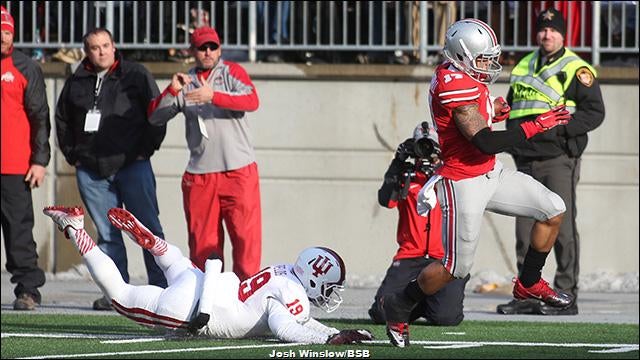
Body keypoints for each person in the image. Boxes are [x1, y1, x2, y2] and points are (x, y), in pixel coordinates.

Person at [381, 18, 574, 348]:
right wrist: (535, 124)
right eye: (483, 58)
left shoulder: (464, 75)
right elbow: (484, 141)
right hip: (464, 181)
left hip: (490, 172)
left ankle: (528, 283)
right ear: (461, 55)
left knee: (553, 209)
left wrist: (493, 110)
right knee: (455, 268)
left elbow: (475, 117)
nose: (489, 64)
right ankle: (399, 304)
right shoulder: (452, 83)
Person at [42, 205, 373, 345]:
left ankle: (155, 243)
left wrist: (332, 331)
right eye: (330, 288)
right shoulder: (294, 295)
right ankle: (75, 228)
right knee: (121, 295)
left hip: (205, 281)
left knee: (176, 263)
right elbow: (286, 328)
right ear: (315, 280)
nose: (330, 295)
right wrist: (326, 339)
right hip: (196, 310)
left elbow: (294, 319)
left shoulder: (286, 272)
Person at [496, 8, 605, 316]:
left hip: (558, 159)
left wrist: (562, 132)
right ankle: (526, 294)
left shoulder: (577, 68)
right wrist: (514, 143)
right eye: (543, 30)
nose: (547, 35)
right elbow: (513, 108)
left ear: (563, 34)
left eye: (554, 30)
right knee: (524, 232)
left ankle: (567, 295)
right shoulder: (524, 65)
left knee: (563, 230)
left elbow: (594, 112)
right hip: (526, 159)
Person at [54, 28, 168, 310]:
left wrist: (145, 151)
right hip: (92, 172)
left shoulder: (136, 74)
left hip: (133, 165)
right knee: (107, 235)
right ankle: (117, 295)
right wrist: (74, 156)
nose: (101, 51)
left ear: (114, 47)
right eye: (94, 47)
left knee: (148, 230)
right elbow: (62, 120)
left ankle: (163, 291)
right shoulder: (77, 80)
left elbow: (157, 113)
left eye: (106, 45)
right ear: (87, 51)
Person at [148, 26, 261, 280]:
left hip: (239, 171)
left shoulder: (232, 72)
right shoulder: (185, 81)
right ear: (192, 51)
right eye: (202, 47)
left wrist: (214, 96)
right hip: (201, 176)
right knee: (202, 248)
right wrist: (172, 91)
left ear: (220, 49)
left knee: (246, 242)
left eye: (212, 47)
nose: (208, 52)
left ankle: (247, 300)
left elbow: (252, 101)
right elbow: (155, 117)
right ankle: (207, 301)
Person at [368, 122, 469, 326]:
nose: (426, 152)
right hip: (410, 256)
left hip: (443, 257)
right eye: (421, 146)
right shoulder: (406, 175)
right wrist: (397, 162)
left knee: (446, 318)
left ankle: (425, 302)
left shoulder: (451, 175)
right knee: (382, 314)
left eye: (431, 146)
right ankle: (414, 302)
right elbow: (385, 200)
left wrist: (446, 160)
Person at [1, 6, 50, 311]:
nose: (1, 37)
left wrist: (40, 160)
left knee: (19, 230)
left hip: (15, 165)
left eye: (6, 32)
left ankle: (28, 289)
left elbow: (39, 116)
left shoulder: (25, 67)